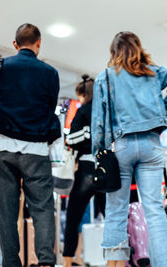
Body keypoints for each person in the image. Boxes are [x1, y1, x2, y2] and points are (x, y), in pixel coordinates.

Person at [92, 31, 167, 267]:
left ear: (114, 52)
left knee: (116, 210)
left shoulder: (105, 77)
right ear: (138, 48)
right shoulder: (152, 72)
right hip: (151, 145)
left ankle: (115, 264)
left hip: (121, 145)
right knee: (154, 210)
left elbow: (99, 121)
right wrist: (163, 112)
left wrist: (99, 152)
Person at [0, 23, 60, 267]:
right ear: (39, 44)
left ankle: (11, 262)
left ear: (15, 44)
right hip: (36, 148)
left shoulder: (0, 66)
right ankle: (45, 262)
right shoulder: (50, 73)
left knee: (7, 212)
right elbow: (50, 107)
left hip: (4, 148)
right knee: (42, 209)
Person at [63, 75, 106, 267]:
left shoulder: (82, 112)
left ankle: (66, 262)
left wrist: (86, 133)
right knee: (112, 218)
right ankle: (119, 261)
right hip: (106, 167)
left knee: (73, 218)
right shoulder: (106, 111)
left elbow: (71, 140)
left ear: (83, 95)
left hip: (87, 167)